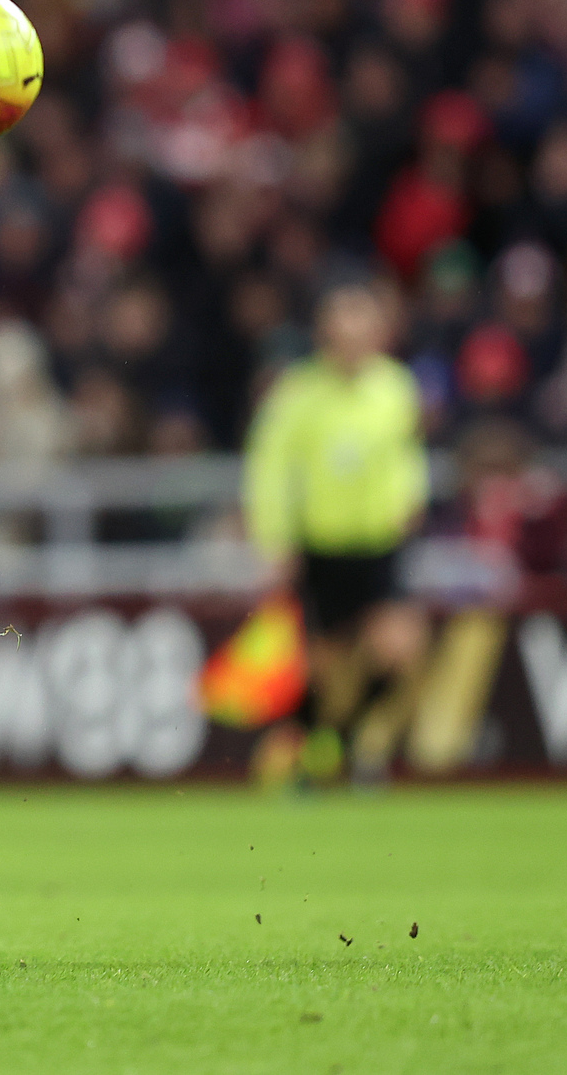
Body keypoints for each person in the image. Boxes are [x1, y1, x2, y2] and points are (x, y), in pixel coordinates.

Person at [243, 279, 430, 783]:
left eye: (360, 320)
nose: (350, 333)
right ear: (325, 331)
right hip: (320, 546)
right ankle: (315, 751)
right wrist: (275, 538)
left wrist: (410, 499)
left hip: (378, 543)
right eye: (341, 321)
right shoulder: (298, 394)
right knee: (322, 666)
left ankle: (345, 745)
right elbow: (271, 470)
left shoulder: (395, 387)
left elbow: (406, 455)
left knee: (398, 650)